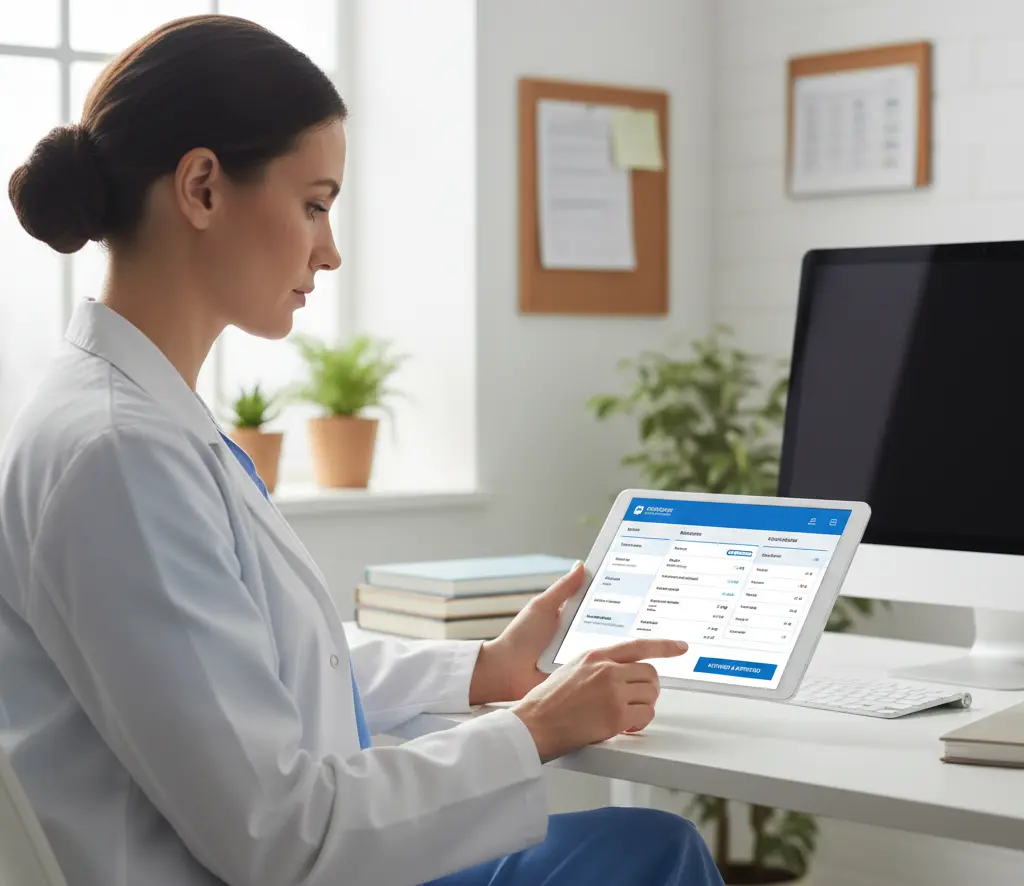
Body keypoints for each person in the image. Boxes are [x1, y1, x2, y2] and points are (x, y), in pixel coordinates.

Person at [0, 14, 723, 886]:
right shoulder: (120, 454)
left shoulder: (131, 417)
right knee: (646, 859)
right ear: (200, 188)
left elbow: (260, 666)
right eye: (314, 205)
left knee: (645, 851)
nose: (330, 251)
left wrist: (487, 670)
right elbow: (280, 835)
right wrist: (533, 729)